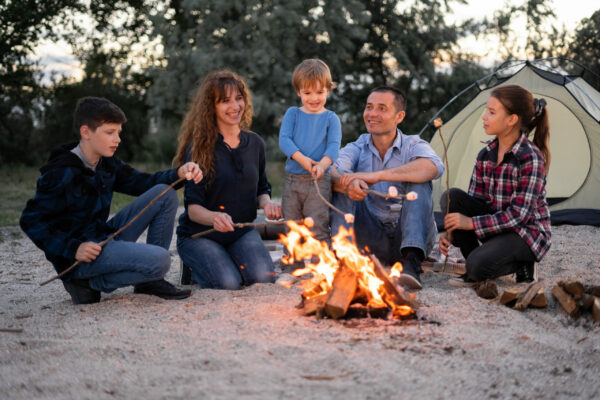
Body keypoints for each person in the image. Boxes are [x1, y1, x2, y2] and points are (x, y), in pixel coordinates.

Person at [20, 97, 203, 304]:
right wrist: (73, 248)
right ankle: (86, 284)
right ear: (86, 132)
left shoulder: (106, 163)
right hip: (80, 258)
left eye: (118, 132)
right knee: (160, 259)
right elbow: (30, 220)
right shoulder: (61, 172)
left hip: (103, 238)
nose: (117, 139)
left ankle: (150, 282)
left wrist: (179, 173)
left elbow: (143, 182)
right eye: (110, 133)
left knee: (164, 193)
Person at [175, 70, 282, 290]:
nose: (235, 106)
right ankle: (195, 265)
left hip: (240, 232)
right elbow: (193, 209)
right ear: (211, 107)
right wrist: (215, 217)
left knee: (263, 278)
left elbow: (262, 187)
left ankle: (227, 258)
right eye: (225, 101)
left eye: (239, 98)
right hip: (200, 235)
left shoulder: (256, 143)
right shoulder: (199, 148)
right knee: (228, 283)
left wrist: (267, 203)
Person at [331, 86, 444, 290]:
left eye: (382, 108)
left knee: (420, 181)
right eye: (369, 107)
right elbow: (332, 170)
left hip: (410, 236)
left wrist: (376, 176)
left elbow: (434, 166)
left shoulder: (413, 144)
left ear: (399, 116)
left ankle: (412, 263)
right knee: (344, 185)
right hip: (372, 237)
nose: (372, 114)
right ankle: (343, 260)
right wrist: (350, 183)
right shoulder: (357, 146)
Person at [439, 84, 551, 284]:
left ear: (511, 120)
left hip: (525, 233)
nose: (484, 117)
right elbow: (475, 203)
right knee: (451, 197)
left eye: (491, 112)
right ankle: (478, 261)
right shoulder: (485, 155)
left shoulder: (531, 158)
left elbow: (518, 216)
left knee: (476, 266)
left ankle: (525, 261)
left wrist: (469, 223)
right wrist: (452, 232)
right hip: (498, 228)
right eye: (486, 111)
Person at [278, 58, 342, 242]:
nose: (314, 98)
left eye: (319, 92)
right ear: (299, 91)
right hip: (293, 180)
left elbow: (333, 146)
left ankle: (320, 264)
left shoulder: (331, 118)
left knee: (318, 226)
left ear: (328, 90)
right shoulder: (293, 114)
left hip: (319, 181)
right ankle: (293, 265)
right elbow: (284, 140)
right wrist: (302, 159)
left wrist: (322, 166)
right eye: (307, 92)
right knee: (292, 226)